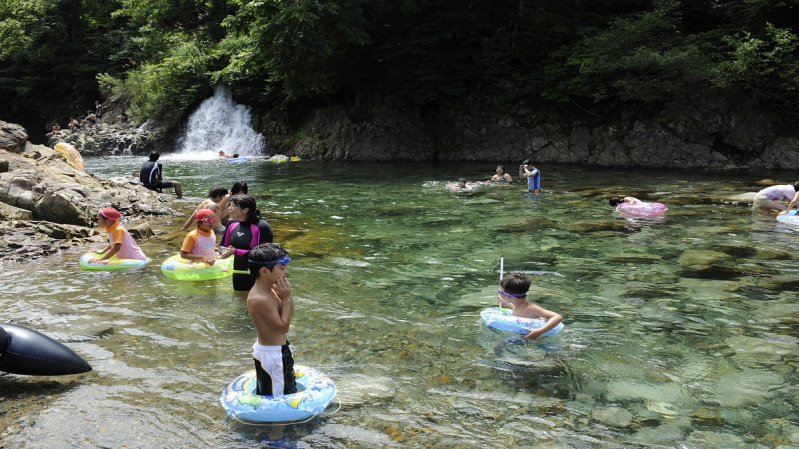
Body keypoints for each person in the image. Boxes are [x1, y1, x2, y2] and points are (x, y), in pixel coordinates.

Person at [246, 243, 295, 443]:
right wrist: (287, 298)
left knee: (270, 389)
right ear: (264, 271)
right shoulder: (260, 298)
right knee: (280, 397)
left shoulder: (269, 289)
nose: (286, 272)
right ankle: (276, 437)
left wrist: (284, 298)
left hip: (271, 351)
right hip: (274, 355)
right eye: (282, 268)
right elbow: (283, 326)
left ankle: (266, 425)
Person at [219, 195, 274, 292]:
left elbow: (264, 254)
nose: (229, 208)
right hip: (238, 270)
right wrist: (222, 251)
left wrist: (235, 251)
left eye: (233, 205)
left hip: (259, 272)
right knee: (240, 299)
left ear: (245, 210)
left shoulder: (262, 227)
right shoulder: (232, 224)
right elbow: (223, 245)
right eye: (229, 205)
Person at [497, 273, 562, 340]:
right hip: (521, 335)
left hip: (534, 337)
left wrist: (539, 332)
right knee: (498, 345)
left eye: (500, 292)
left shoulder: (531, 308)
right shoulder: (518, 305)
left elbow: (557, 317)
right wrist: (506, 303)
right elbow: (519, 310)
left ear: (509, 296)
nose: (499, 294)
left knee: (498, 345)